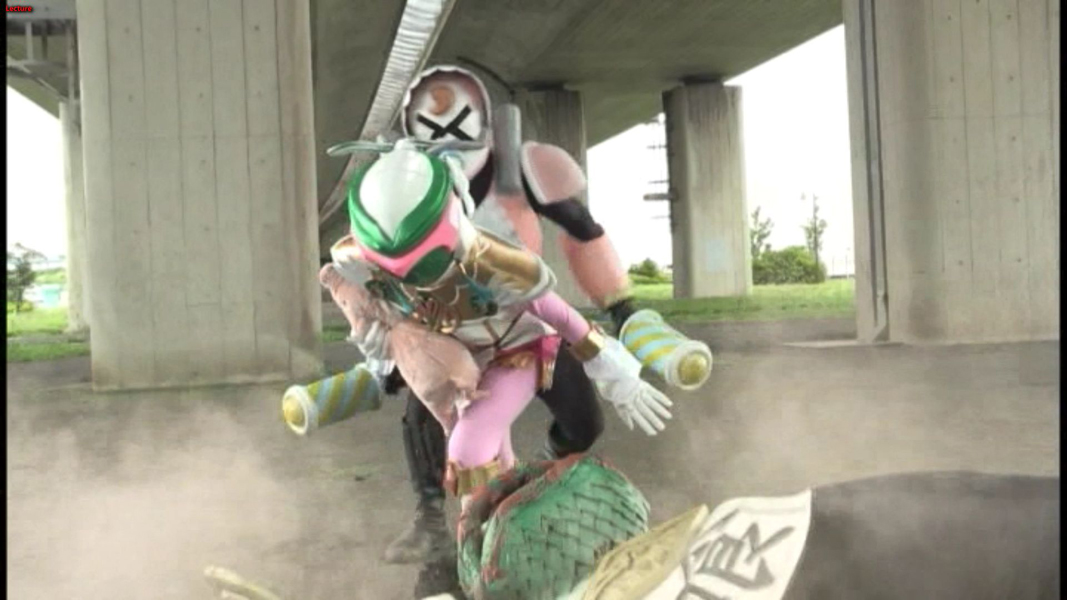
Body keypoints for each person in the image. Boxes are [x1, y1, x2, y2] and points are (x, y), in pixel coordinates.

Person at [380, 65, 714, 564]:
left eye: (458, 130)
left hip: (524, 321)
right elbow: (376, 272)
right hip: (446, 330)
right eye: (433, 133)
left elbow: (583, 230)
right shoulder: (404, 186)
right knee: (430, 417)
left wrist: (621, 308)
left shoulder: (521, 171)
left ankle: (535, 486)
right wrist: (392, 343)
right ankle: (437, 522)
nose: (448, 146)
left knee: (583, 422)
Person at [331, 139, 674, 517]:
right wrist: (382, 345)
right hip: (462, 365)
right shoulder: (360, 266)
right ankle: (490, 529)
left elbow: (559, 315)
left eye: (426, 262)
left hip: (518, 349)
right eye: (397, 270)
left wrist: (617, 373)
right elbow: (377, 316)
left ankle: (485, 534)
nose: (416, 279)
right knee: (490, 463)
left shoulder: (496, 264)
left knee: (471, 449)